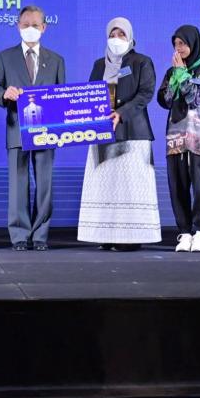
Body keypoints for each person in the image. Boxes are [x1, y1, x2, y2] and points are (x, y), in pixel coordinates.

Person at [77, 17, 160, 251]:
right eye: (112, 35)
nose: (116, 39)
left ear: (130, 37)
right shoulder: (98, 65)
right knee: (106, 186)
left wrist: (121, 113)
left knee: (130, 187)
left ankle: (131, 238)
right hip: (103, 133)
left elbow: (145, 93)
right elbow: (89, 94)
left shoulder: (142, 62)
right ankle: (107, 234)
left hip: (133, 134)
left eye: (121, 34)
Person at [0, 5, 66, 251]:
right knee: (18, 184)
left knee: (44, 185)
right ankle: (19, 235)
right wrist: (4, 94)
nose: (30, 29)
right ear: (17, 26)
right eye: (25, 24)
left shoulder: (56, 60)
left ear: (44, 27)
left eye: (35, 25)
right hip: (17, 128)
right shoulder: (4, 57)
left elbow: (61, 97)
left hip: (47, 130)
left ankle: (40, 235)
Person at [157, 25, 200, 252]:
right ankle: (184, 231)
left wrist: (184, 77)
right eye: (175, 44)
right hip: (175, 134)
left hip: (198, 135)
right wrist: (176, 77)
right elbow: (165, 100)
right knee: (177, 186)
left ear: (193, 43)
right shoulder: (171, 71)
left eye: (182, 43)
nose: (178, 48)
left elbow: (197, 99)